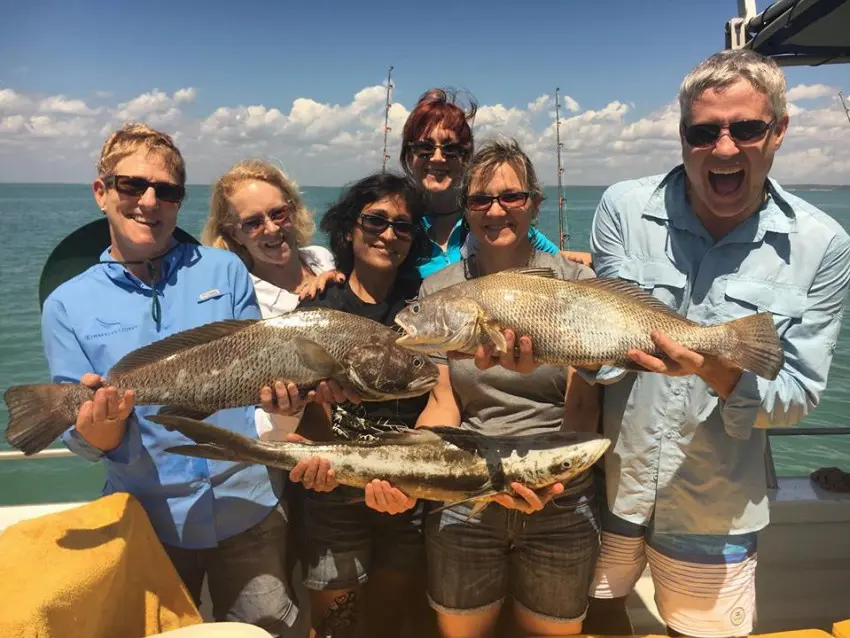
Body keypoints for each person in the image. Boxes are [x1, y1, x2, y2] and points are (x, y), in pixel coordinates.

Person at [581, 49, 850, 638]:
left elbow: (799, 395)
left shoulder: (823, 245)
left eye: (746, 128)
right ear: (682, 138)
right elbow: (602, 347)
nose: (724, 148)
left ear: (778, 131)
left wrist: (716, 371)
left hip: (716, 504)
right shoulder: (622, 208)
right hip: (611, 482)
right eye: (704, 132)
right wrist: (566, 352)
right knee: (597, 621)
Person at [42, 124, 300, 636]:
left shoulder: (225, 271)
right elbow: (89, 444)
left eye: (168, 191)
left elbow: (257, 379)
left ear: (180, 203)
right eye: (132, 186)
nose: (149, 201)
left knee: (272, 627)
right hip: (148, 524)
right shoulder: (66, 304)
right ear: (102, 193)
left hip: (248, 506)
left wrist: (285, 405)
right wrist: (100, 423)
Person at [414, 139, 602, 638]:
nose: (495, 210)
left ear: (535, 204)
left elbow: (582, 404)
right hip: (467, 491)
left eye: (511, 197)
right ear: (466, 212)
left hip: (560, 495)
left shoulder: (575, 280)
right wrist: (408, 467)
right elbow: (442, 401)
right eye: (479, 201)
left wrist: (550, 479)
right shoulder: (438, 293)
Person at [291, 172, 436, 638]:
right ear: (349, 229)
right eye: (375, 221)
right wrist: (315, 419)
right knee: (338, 624)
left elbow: (442, 391)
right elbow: (306, 412)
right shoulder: (318, 302)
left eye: (403, 226)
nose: (389, 234)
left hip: (407, 486)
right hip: (333, 489)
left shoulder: (425, 303)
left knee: (390, 614)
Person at [202, 159, 338, 441]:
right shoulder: (244, 298)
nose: (272, 229)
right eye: (252, 223)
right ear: (233, 234)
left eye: (278, 213)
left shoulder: (322, 258)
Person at [400, 88, 582, 277]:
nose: (437, 158)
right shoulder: (397, 223)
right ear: (408, 154)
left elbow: (553, 263)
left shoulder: (492, 217)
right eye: (424, 148)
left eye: (451, 149)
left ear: (466, 157)